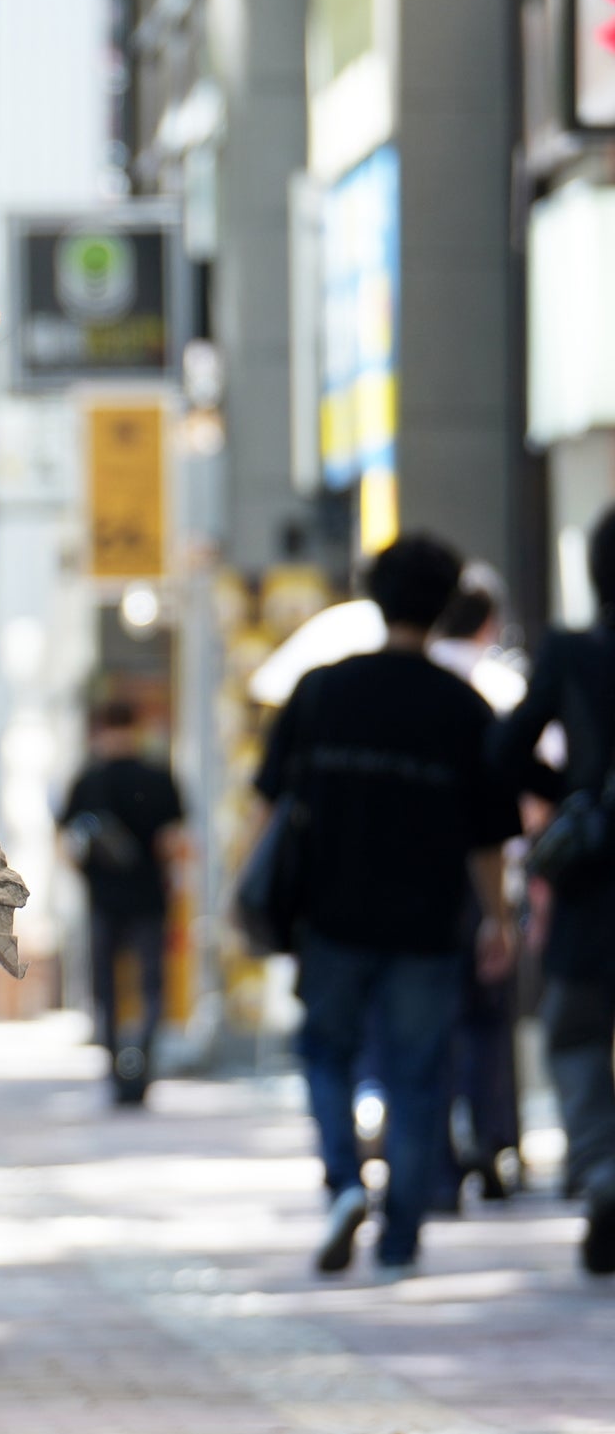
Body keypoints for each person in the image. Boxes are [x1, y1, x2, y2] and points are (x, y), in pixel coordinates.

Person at [255, 535, 519, 1278]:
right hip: (430, 923)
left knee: (326, 1053)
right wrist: (496, 920)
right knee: (418, 1073)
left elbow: (268, 806)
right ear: (443, 609)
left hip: (330, 915)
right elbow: (490, 837)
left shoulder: (322, 691)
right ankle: (401, 1236)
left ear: (376, 596)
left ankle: (344, 1182)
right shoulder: (463, 708)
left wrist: (253, 893)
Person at [493, 503, 615, 1271]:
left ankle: (603, 1170)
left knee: (573, 1033)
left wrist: (573, 791)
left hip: (594, 879)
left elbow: (504, 748)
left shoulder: (572, 652)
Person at [429, 565, 525, 1204]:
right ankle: (495, 1146)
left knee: (429, 1021)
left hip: (424, 880)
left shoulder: (414, 679)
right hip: (499, 872)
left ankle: (434, 1162)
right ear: (489, 621)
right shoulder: (503, 685)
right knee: (491, 1019)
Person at [59, 700, 182, 1105]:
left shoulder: (88, 780)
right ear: (137, 727)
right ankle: (141, 1065)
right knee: (150, 986)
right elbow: (174, 843)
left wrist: (87, 871)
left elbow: (64, 846)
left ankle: (116, 1072)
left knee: (106, 990)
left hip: (103, 901)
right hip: (149, 898)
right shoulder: (159, 777)